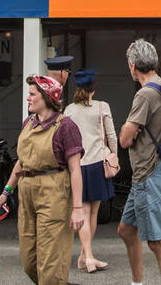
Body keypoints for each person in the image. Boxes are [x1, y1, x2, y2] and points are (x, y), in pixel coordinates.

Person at [0, 75, 85, 285]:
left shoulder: (66, 127)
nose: (28, 98)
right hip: (27, 192)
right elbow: (23, 161)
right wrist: (6, 192)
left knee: (50, 265)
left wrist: (77, 207)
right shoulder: (28, 124)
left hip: (54, 193)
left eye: (32, 94)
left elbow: (75, 170)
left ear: (47, 98)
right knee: (29, 262)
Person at [117, 39, 161, 285]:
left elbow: (124, 139)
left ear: (133, 66)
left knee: (157, 241)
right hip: (153, 170)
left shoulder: (144, 94)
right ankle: (137, 282)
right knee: (127, 230)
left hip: (148, 172)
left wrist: (126, 130)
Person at [62, 69, 117, 274]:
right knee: (93, 212)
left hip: (77, 165)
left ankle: (85, 256)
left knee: (84, 211)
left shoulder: (68, 110)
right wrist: (115, 156)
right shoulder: (102, 107)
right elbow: (112, 136)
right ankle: (89, 257)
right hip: (97, 164)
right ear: (94, 88)